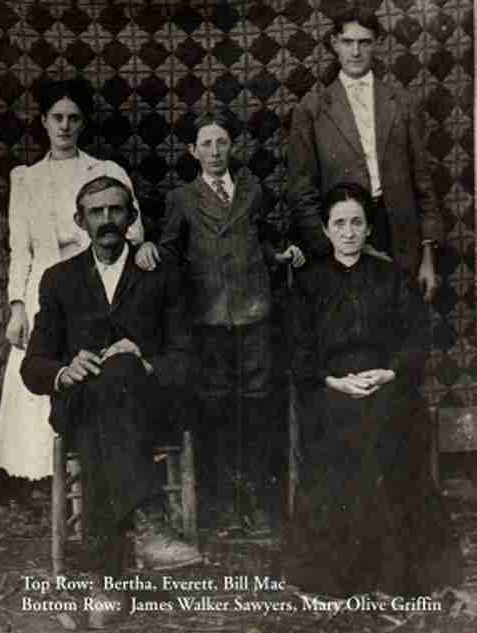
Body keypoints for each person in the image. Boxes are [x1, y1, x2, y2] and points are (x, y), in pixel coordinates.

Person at [21, 175, 202, 626]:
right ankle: (149, 523)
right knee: (102, 392)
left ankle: (106, 581)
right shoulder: (59, 280)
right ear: (79, 220)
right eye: (96, 212)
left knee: (120, 371)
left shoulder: (161, 274)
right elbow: (34, 365)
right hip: (82, 403)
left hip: (148, 407)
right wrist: (65, 371)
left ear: (131, 216)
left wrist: (144, 363)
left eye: (115, 210)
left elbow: (187, 358)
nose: (106, 219)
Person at [282, 182, 462, 596]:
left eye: (356, 223)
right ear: (325, 229)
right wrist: (334, 381)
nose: (348, 232)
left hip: (386, 384)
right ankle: (343, 571)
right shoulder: (307, 284)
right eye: (339, 223)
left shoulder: (392, 277)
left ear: (367, 228)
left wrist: (388, 374)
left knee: (390, 426)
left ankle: (394, 570)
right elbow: (297, 349)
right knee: (342, 429)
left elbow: (416, 341)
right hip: (330, 389)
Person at [154, 110, 304, 529]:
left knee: (257, 404)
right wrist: (150, 253)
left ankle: (255, 498)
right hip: (208, 317)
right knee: (216, 405)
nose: (215, 151)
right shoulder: (182, 198)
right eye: (206, 144)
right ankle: (220, 502)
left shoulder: (252, 191)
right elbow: (170, 250)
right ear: (192, 151)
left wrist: (281, 254)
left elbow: (259, 239)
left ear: (232, 146)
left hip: (254, 313)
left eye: (222, 142)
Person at [0, 78, 145, 486]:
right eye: (57, 117)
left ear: (83, 123)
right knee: (47, 364)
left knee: (94, 365)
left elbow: (133, 231)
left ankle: (91, 464)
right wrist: (17, 308)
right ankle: (44, 473)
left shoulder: (105, 171)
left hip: (97, 280)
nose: (64, 126)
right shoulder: (26, 178)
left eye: (73, 118)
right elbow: (20, 249)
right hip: (45, 284)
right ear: (44, 121)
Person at [287, 6, 441, 302]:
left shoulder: (403, 104)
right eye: (348, 42)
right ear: (334, 44)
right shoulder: (312, 109)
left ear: (377, 44)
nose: (355, 51)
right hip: (344, 239)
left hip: (399, 239)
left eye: (364, 42)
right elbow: (300, 192)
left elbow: (423, 185)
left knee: (399, 321)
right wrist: (334, 246)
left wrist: (428, 258)